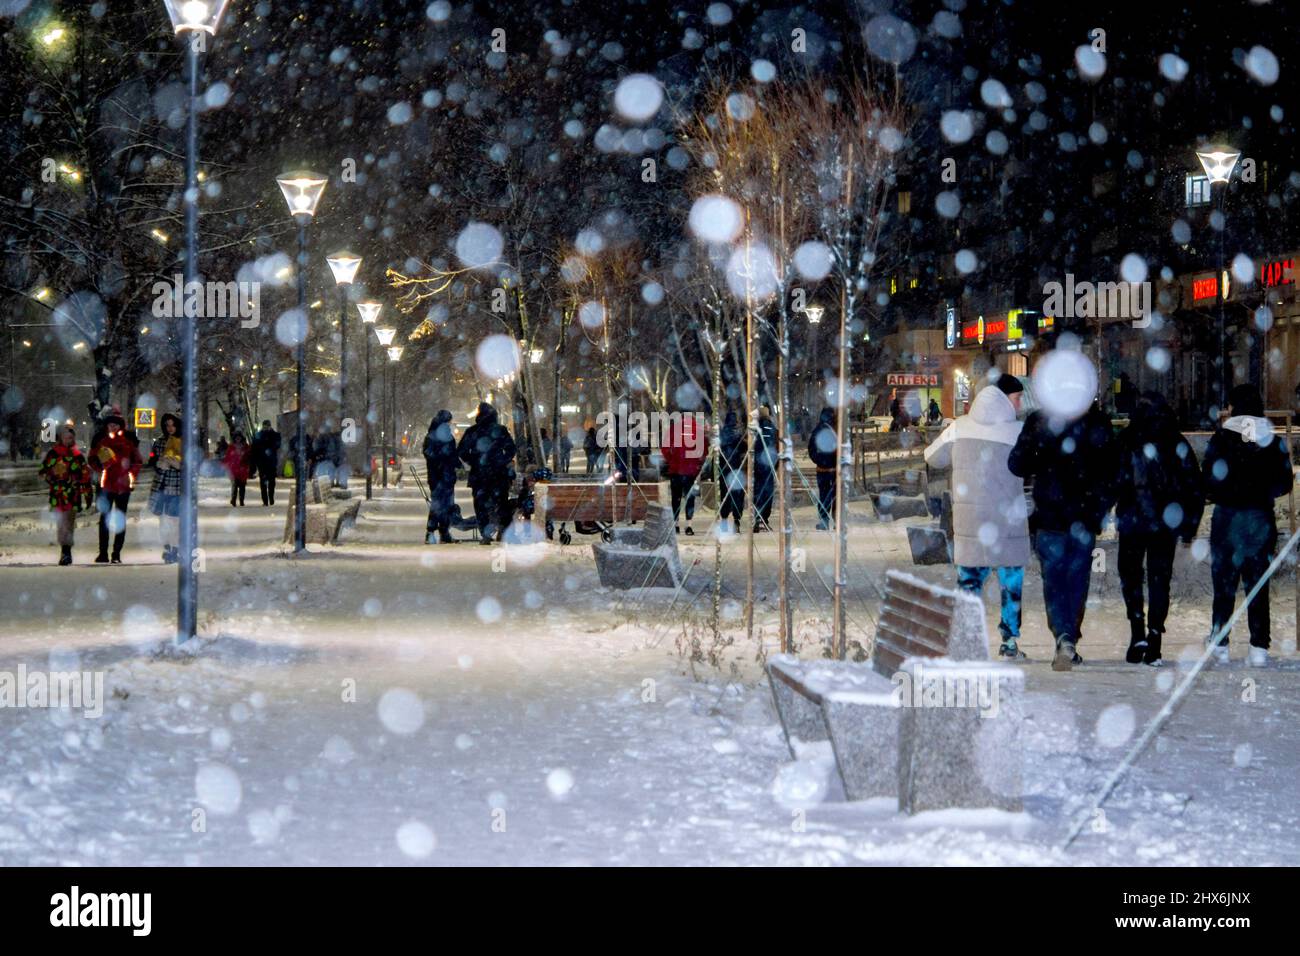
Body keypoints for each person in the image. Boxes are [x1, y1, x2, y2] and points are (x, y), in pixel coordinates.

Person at [924, 375, 1031, 659]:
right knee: (1011, 583)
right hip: (1008, 522)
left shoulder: (959, 428)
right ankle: (1009, 640)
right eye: (1017, 398)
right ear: (1003, 399)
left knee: (969, 581)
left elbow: (932, 457)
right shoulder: (1019, 431)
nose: (1020, 404)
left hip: (971, 523)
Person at [1008, 398, 1118, 671]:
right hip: (1085, 516)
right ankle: (1069, 638)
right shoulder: (1097, 421)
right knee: (1077, 580)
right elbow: (1113, 472)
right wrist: (1099, 508)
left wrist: (1039, 453)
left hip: (1050, 516)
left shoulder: (1040, 420)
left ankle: (1063, 636)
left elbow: (1017, 464)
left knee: (1054, 580)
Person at [1202, 384, 1294, 665]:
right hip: (1259, 519)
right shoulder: (1272, 440)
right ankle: (1258, 646)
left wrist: (1224, 492)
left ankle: (1220, 643)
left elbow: (1207, 480)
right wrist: (1262, 491)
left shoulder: (1220, 439)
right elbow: (1285, 482)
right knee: (1258, 583)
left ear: (1234, 408)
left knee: (1224, 583)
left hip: (1227, 518)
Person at [1114, 391, 1205, 667]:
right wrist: (1189, 525)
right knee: (1159, 579)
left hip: (1132, 521)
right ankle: (1154, 638)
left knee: (1130, 577)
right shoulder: (1177, 442)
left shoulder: (1127, 439)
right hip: (1166, 523)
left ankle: (1137, 632)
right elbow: (1194, 486)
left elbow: (1112, 479)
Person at [457, 402, 517, 544]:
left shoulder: (472, 431)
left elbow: (462, 451)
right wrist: (501, 460)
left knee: (481, 505)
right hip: (499, 474)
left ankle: (486, 533)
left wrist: (474, 461)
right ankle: (504, 531)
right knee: (502, 503)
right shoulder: (500, 431)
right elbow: (511, 449)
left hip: (479, 475)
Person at [89, 411, 143, 564]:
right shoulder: (101, 441)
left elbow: (137, 461)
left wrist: (130, 475)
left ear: (120, 426)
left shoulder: (128, 441)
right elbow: (92, 459)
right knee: (104, 519)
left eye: (115, 425)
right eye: (110, 425)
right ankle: (103, 553)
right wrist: (100, 468)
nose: (112, 427)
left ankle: (116, 553)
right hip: (105, 485)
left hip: (123, 486)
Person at [40, 425, 94, 565]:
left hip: (72, 494)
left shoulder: (77, 456)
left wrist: (88, 493)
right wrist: (52, 477)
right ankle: (64, 548)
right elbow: (43, 471)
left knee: (68, 522)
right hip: (58, 494)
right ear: (60, 438)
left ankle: (66, 551)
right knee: (61, 523)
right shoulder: (53, 454)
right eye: (65, 437)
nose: (68, 440)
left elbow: (85, 476)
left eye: (70, 437)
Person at [147, 413, 185, 563]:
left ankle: (175, 549)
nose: (170, 428)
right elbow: (152, 460)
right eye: (167, 425)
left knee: (174, 519)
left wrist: (177, 465)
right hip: (161, 485)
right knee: (163, 520)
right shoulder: (160, 442)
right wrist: (158, 462)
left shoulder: (183, 441)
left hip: (176, 486)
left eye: (172, 425)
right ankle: (168, 547)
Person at [663, 411, 706, 536]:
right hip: (691, 471)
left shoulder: (673, 430)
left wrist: (671, 459)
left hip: (675, 470)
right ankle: (689, 525)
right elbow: (703, 450)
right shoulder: (697, 430)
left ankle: (676, 524)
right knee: (690, 498)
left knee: (675, 498)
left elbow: (665, 448)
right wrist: (697, 463)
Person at [423, 410, 459, 544]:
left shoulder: (431, 437)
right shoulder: (445, 438)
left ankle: (437, 532)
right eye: (449, 421)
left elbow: (430, 455)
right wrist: (450, 461)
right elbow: (450, 455)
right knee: (442, 505)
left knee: (440, 505)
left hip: (437, 476)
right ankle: (439, 532)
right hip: (443, 476)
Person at [808, 407, 838, 530]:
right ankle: (837, 521)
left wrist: (819, 460)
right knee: (836, 496)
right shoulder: (835, 430)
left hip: (822, 469)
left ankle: (824, 521)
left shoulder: (817, 430)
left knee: (824, 496)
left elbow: (811, 449)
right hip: (835, 470)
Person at [718, 410, 747, 532]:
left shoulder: (721, 434)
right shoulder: (738, 435)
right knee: (737, 495)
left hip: (724, 469)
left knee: (725, 495)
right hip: (736, 469)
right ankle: (736, 521)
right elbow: (744, 449)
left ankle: (724, 520)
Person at [752, 405, 778, 532]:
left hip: (758, 466)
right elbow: (776, 447)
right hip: (769, 466)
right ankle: (764, 519)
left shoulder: (755, 429)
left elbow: (752, 446)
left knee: (758, 492)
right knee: (768, 493)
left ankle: (757, 518)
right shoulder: (772, 429)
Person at [251, 420, 281, 506]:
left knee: (271, 482)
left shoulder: (275, 435)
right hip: (262, 462)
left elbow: (277, 445)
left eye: (267, 426)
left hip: (271, 462)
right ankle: (265, 500)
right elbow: (254, 449)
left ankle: (270, 497)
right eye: (265, 426)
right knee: (263, 482)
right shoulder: (258, 435)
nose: (266, 428)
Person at [224, 432, 253, 507]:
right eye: (236, 438)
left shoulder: (245, 447)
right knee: (235, 485)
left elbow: (249, 456)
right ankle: (233, 500)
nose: (238, 440)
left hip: (243, 470)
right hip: (234, 470)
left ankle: (241, 500)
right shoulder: (231, 447)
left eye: (239, 438)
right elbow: (228, 458)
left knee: (242, 486)